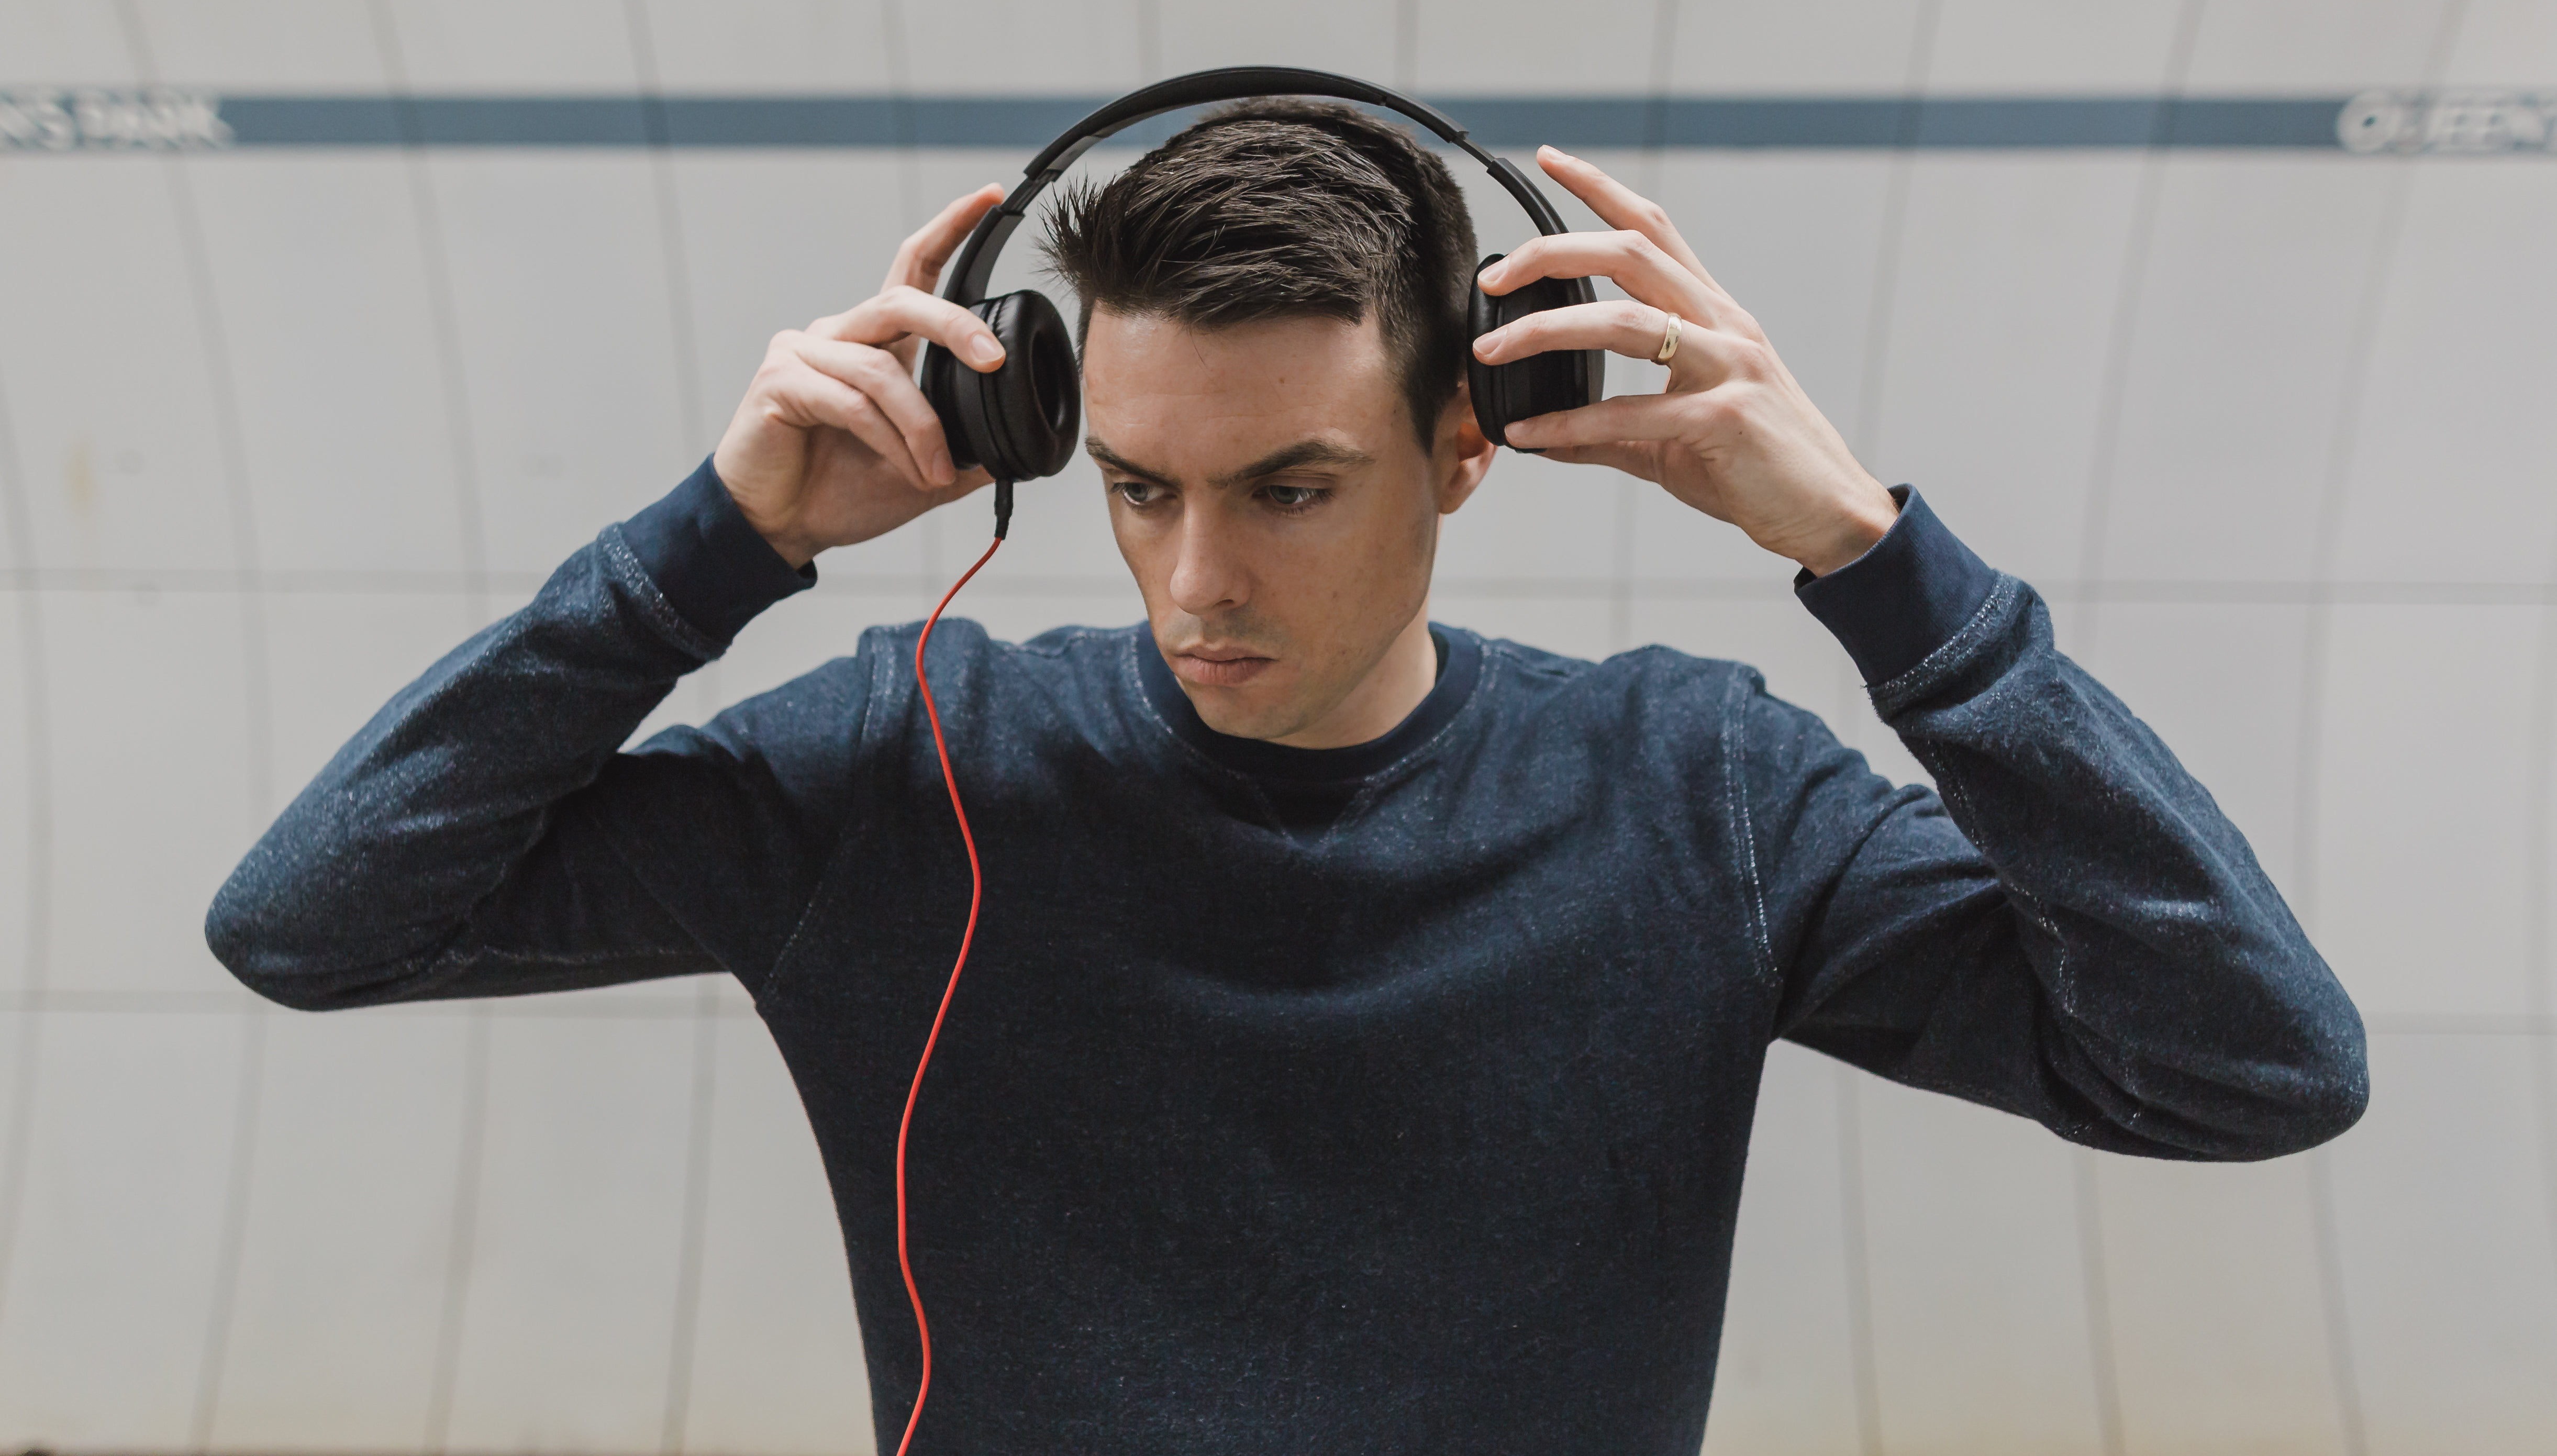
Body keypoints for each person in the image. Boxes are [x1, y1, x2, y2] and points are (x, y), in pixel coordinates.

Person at [207, 98, 2367, 1454]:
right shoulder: (917, 763)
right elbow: (315, 916)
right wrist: (713, 541)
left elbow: (2251, 1063)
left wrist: (1878, 565)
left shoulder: (1691, 792)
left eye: (1294, 488)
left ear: (1467, 443)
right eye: (1138, 487)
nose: (1196, 578)